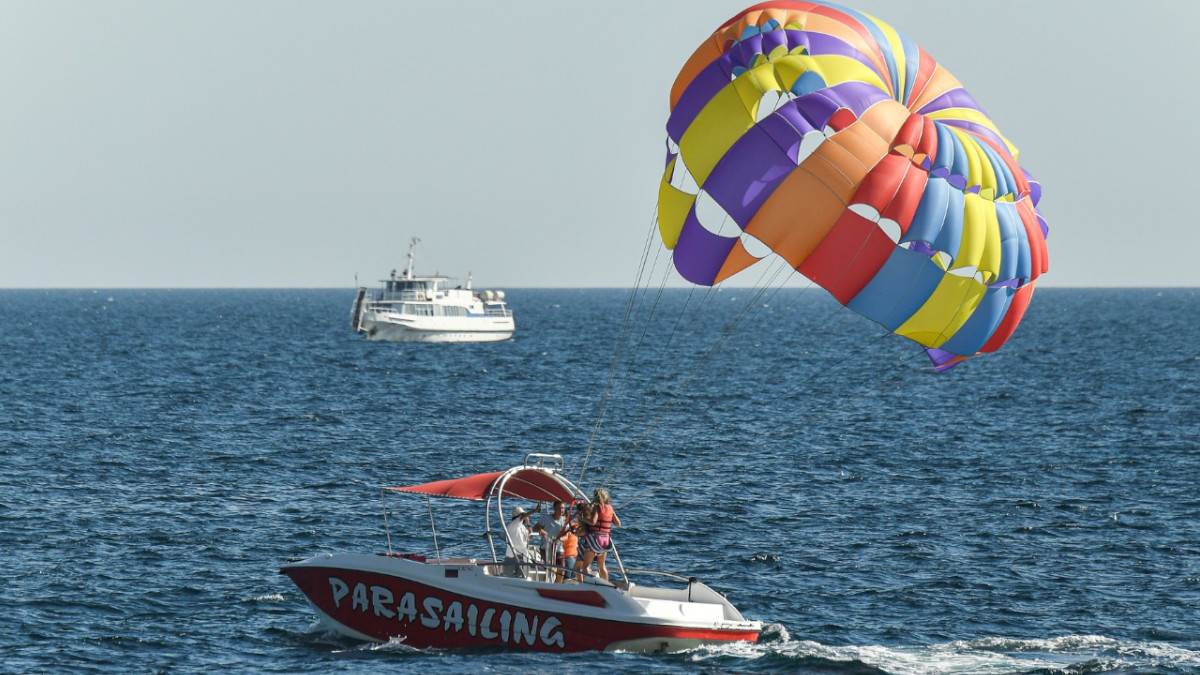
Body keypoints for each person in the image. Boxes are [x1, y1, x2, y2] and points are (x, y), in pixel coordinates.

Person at [577, 488, 622, 582]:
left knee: (585, 566)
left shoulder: (597, 508)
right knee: (602, 566)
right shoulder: (610, 508)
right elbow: (618, 523)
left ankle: (587, 586)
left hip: (595, 540)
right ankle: (606, 585)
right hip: (605, 540)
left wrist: (582, 519)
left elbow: (593, 522)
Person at [535, 501, 566, 579]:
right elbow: (535, 527)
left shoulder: (565, 520)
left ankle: (558, 587)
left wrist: (561, 538)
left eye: (563, 508)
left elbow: (567, 536)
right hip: (545, 548)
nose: (561, 510)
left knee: (561, 570)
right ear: (554, 509)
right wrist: (541, 530)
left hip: (559, 549)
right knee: (551, 568)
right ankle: (549, 583)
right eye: (559, 508)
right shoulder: (546, 518)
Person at [503, 506, 535, 578]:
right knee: (507, 577)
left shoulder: (522, 527)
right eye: (523, 515)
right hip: (511, 556)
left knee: (522, 577)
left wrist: (528, 524)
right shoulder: (513, 524)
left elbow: (530, 537)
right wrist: (534, 510)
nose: (525, 517)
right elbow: (522, 517)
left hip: (522, 556)